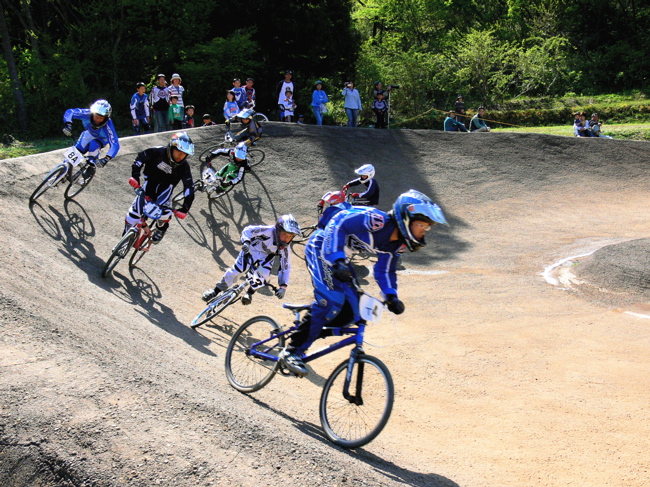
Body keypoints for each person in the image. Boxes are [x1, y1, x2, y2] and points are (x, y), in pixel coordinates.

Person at [279, 189, 449, 376]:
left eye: (427, 228)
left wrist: (391, 295)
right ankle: (292, 351)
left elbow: (385, 270)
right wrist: (336, 258)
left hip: (341, 260)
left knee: (355, 310)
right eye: (421, 225)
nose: (424, 231)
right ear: (407, 218)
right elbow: (338, 222)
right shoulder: (376, 221)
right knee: (331, 299)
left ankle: (310, 327)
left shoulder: (396, 245)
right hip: (322, 248)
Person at [201, 215, 302, 305]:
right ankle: (215, 291)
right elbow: (248, 230)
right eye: (285, 234)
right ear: (277, 230)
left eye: (290, 236)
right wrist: (246, 242)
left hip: (266, 257)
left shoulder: (285, 249)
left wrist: (283, 287)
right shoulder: (267, 230)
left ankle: (249, 293)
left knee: (264, 276)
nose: (286, 239)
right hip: (252, 249)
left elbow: (285, 267)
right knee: (239, 269)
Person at [124, 132, 195, 244]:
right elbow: (139, 159)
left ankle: (161, 228)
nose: (180, 156)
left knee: (165, 214)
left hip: (166, 189)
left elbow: (189, 187)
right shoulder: (157, 151)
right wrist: (135, 177)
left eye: (184, 154)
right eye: (178, 152)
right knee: (133, 215)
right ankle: (125, 239)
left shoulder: (184, 167)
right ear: (171, 147)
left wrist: (185, 208)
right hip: (149, 183)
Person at [62, 99, 120, 182]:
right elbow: (70, 112)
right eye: (96, 116)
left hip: (100, 140)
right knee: (77, 150)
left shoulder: (108, 126)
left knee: (94, 145)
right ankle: (64, 168)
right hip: (89, 134)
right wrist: (68, 124)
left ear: (106, 118)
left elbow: (115, 144)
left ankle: (92, 165)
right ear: (92, 113)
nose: (98, 120)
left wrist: (107, 158)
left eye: (101, 118)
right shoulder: (87, 113)